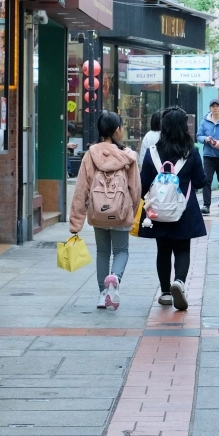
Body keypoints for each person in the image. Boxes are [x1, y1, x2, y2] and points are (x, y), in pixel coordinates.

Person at [69, 111, 141, 310]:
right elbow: (135, 189)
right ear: (117, 130)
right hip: (120, 212)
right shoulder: (127, 156)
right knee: (121, 251)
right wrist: (131, 212)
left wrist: (76, 223)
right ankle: (114, 279)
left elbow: (81, 189)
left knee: (102, 252)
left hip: (97, 213)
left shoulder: (90, 154)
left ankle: (102, 294)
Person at [138, 108, 207, 311]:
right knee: (182, 249)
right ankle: (179, 281)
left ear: (163, 128)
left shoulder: (152, 153)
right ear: (184, 127)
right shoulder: (191, 151)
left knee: (163, 250)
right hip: (183, 210)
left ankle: (166, 292)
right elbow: (200, 182)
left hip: (158, 210)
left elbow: (143, 184)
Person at [195, 99, 219, 215]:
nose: (215, 108)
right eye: (213, 106)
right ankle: (206, 205)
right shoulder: (205, 121)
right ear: (210, 108)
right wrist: (205, 139)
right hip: (208, 156)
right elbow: (198, 136)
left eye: (217, 106)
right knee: (207, 180)